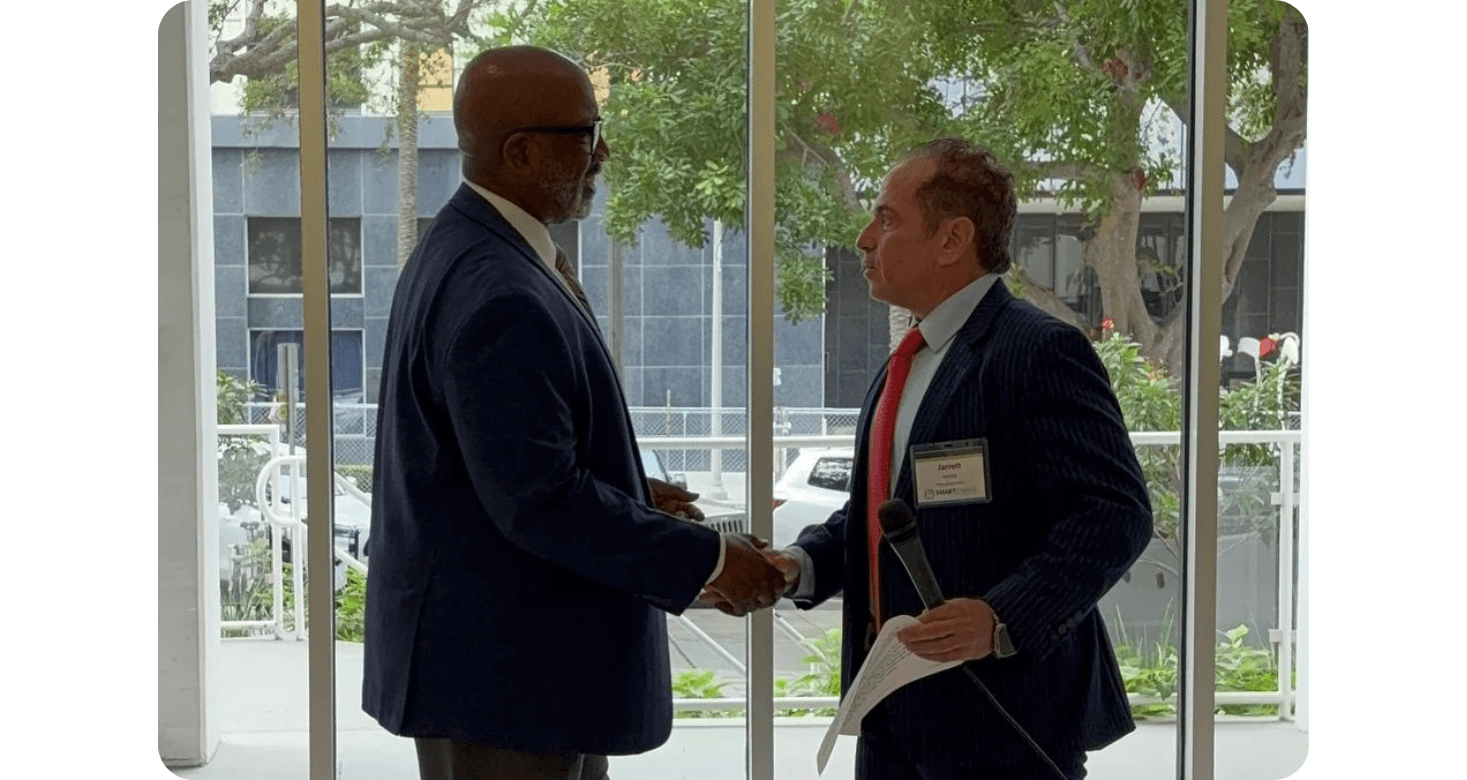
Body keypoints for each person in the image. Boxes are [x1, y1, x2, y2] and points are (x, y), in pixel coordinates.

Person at [362, 45, 788, 780]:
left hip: (508, 679)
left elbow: (497, 464)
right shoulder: (499, 291)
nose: (604, 153)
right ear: (521, 152)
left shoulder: (469, 249)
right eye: (587, 133)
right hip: (508, 685)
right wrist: (712, 559)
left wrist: (632, 492)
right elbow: (540, 501)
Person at [768, 139, 1153, 779]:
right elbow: (885, 510)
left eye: (886, 219)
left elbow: (1114, 515)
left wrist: (1001, 617)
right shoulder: (906, 361)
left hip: (1003, 718)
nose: (864, 239)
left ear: (952, 240)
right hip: (891, 718)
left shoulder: (1038, 350)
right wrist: (798, 565)